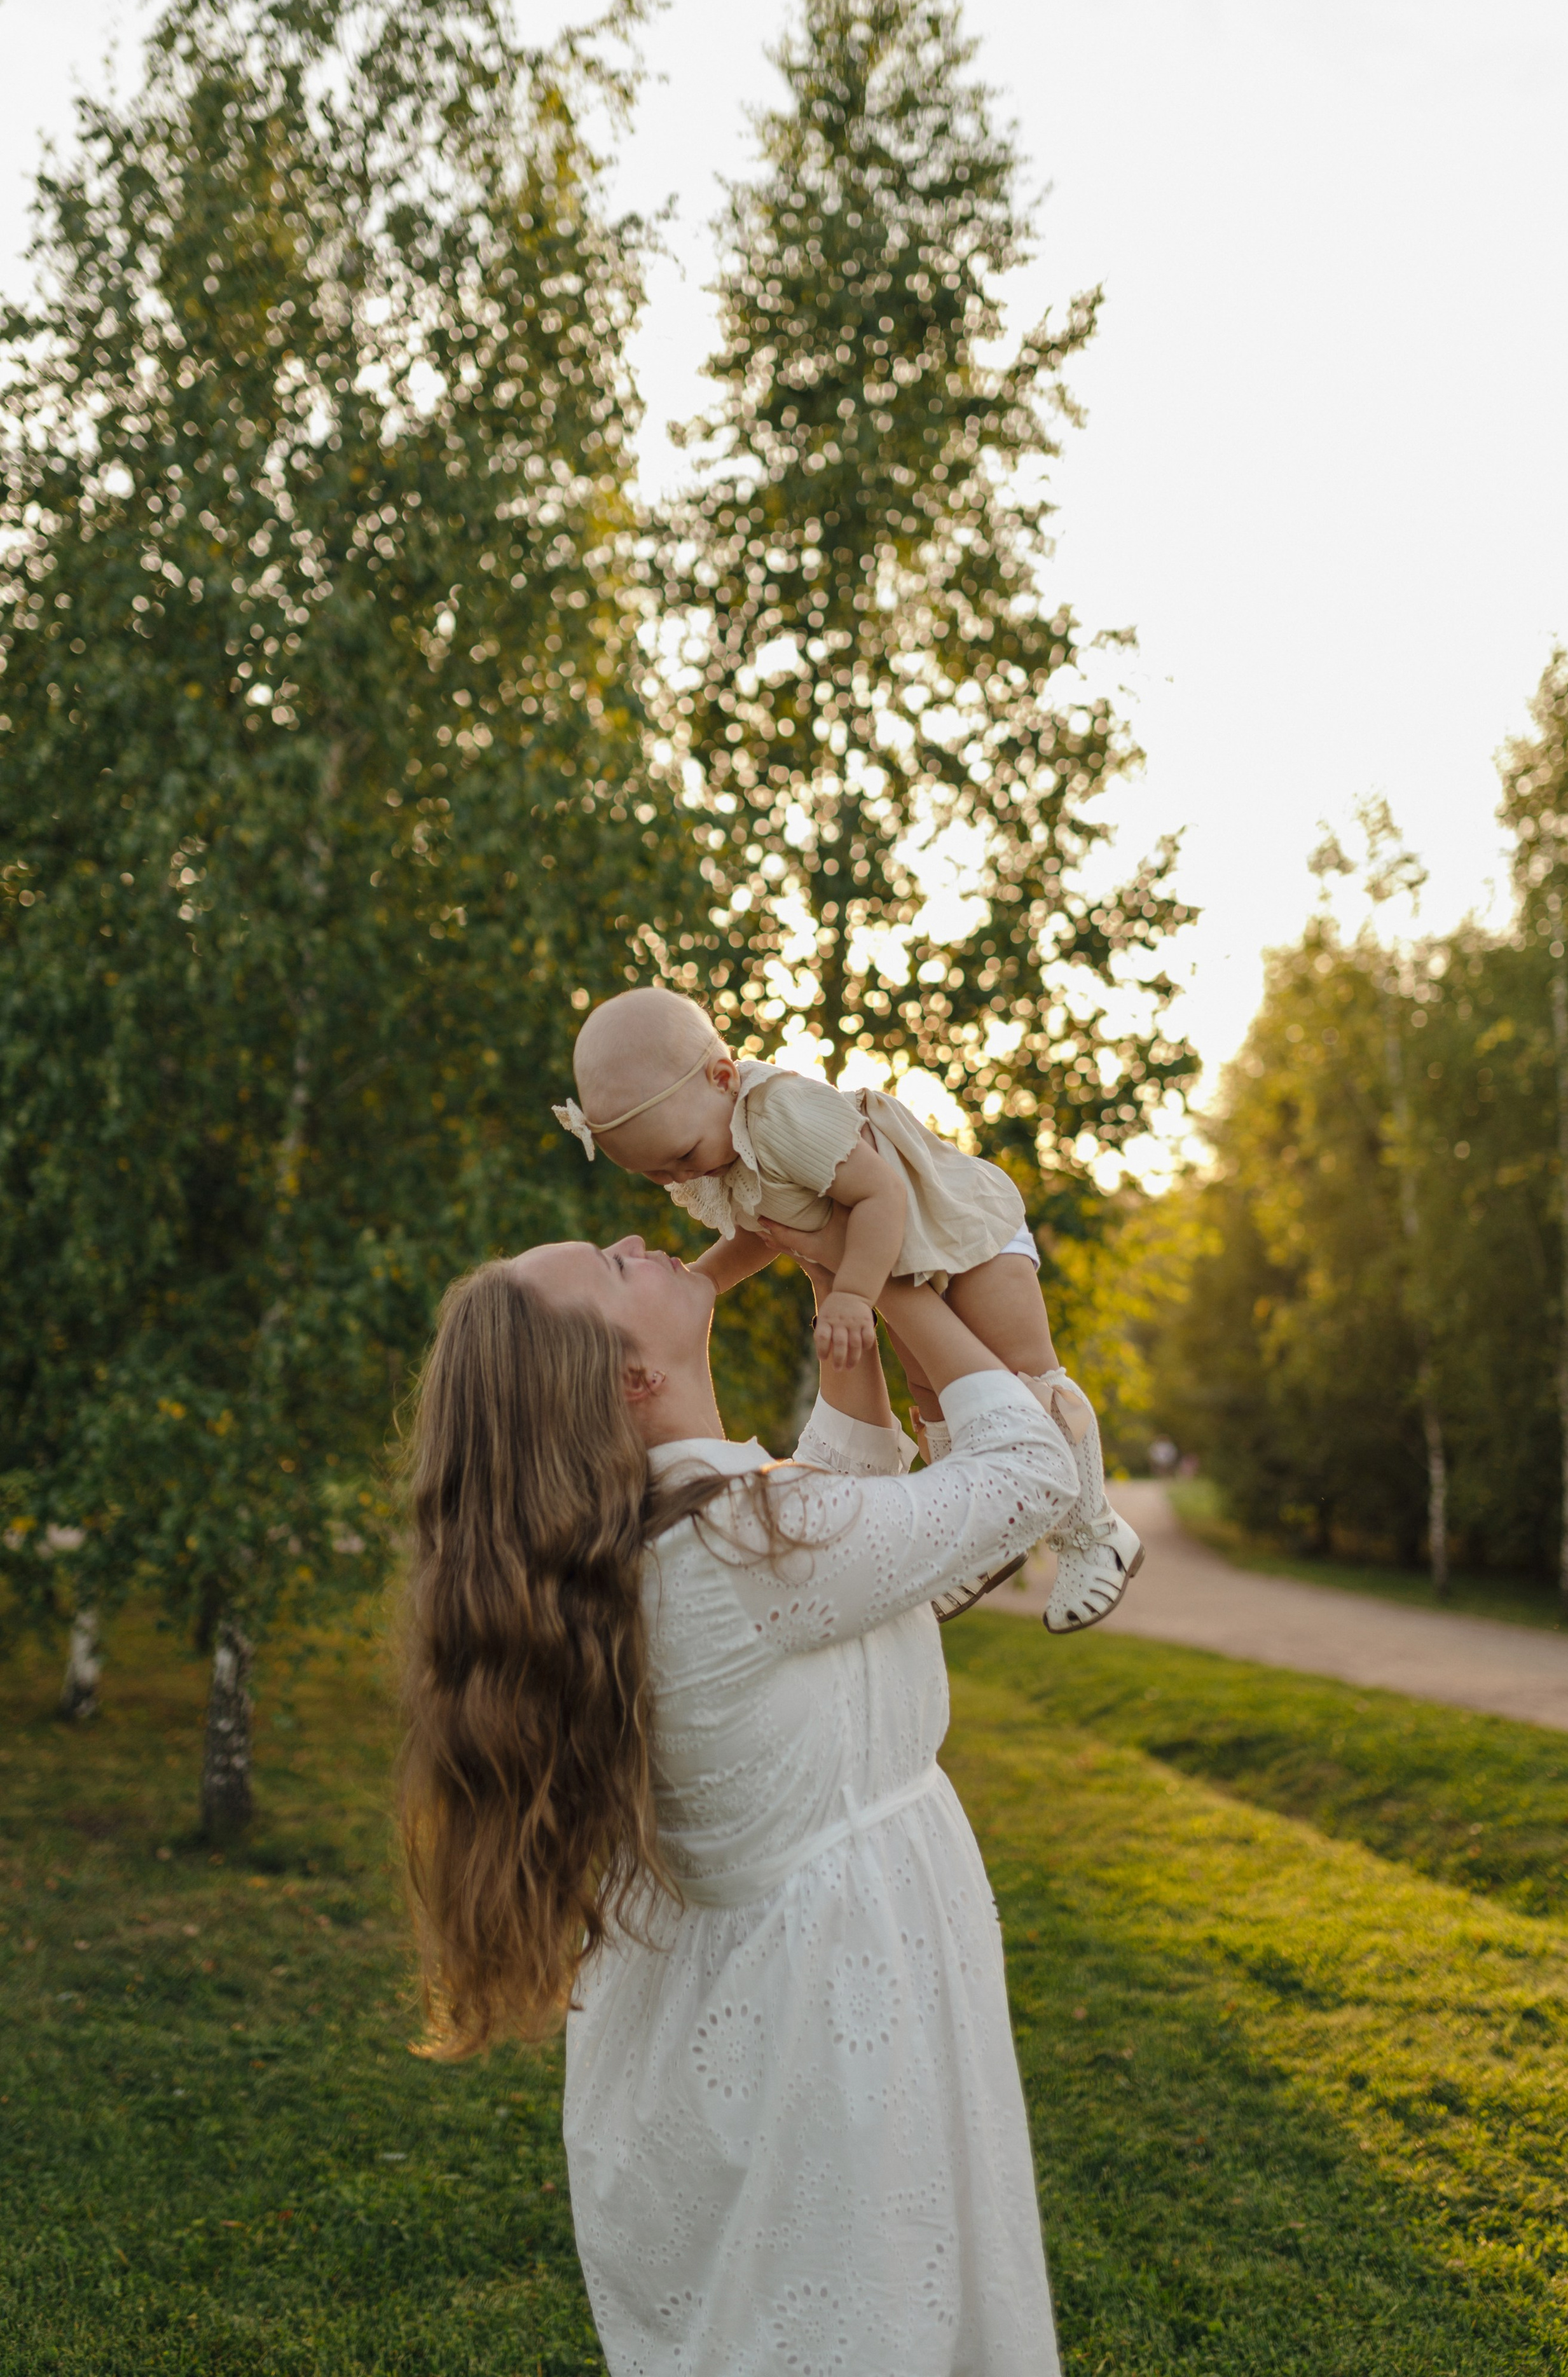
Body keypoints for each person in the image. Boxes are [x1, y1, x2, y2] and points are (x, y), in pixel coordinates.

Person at [398, 1209, 1080, 2375]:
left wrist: (818, 1289)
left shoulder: (660, 1537)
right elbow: (1029, 1476)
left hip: (755, 2011)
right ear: (633, 1376)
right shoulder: (752, 1540)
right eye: (611, 1266)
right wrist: (897, 1271)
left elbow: (819, 1577)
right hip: (835, 2020)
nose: (629, 1232)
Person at [552, 984, 1143, 1632]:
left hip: (962, 1229)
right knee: (932, 1392)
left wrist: (854, 1293)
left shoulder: (780, 1115)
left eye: (681, 1158)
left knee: (1024, 1373)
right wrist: (697, 1283)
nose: (678, 1180)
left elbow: (882, 1195)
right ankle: (984, 1536)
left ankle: (1094, 1532)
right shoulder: (715, 1149)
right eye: (657, 1175)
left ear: (723, 1078)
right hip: (903, 1257)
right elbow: (756, 1234)